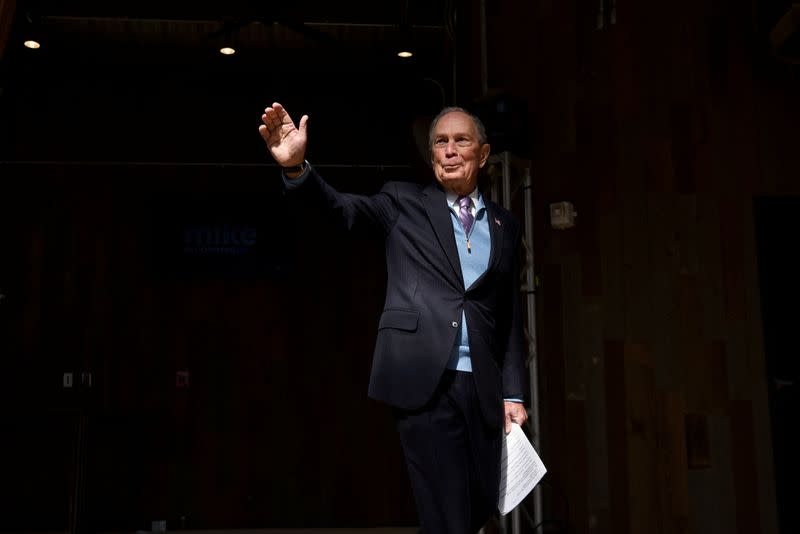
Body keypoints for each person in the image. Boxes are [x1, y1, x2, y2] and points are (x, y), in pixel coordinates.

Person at [259, 102, 528, 534]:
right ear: (432, 153)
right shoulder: (404, 202)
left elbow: (509, 315)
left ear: (483, 154)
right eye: (441, 142)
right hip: (425, 381)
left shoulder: (505, 224)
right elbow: (341, 210)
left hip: (483, 388)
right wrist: (298, 171)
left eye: (462, 141)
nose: (450, 150)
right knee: (449, 514)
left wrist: (513, 392)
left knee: (478, 506)